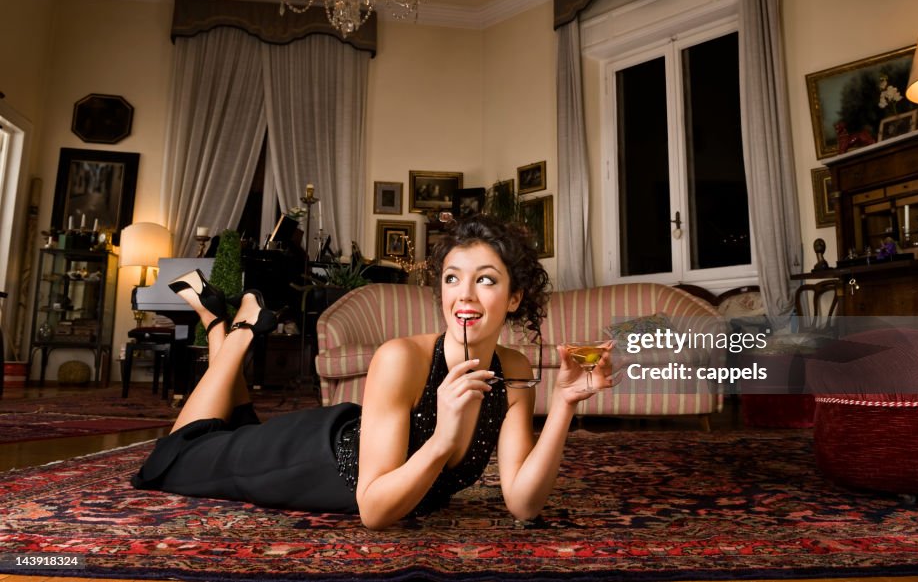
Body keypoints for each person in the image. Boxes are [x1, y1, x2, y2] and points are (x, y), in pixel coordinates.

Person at [132, 215, 614, 529]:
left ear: (513, 298)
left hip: (331, 438)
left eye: (485, 279)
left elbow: (523, 503)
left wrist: (565, 406)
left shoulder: (513, 370)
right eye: (452, 278)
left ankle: (218, 320)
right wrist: (443, 439)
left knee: (226, 425)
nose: (464, 295)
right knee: (172, 458)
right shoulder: (401, 358)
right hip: (303, 460)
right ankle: (237, 332)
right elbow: (375, 511)